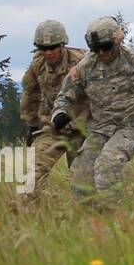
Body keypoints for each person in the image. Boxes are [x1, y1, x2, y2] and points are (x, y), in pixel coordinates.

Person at [51, 16, 134, 206]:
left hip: (132, 127)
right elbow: (64, 95)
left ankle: (112, 218)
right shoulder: (85, 67)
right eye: (96, 49)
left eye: (106, 46)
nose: (101, 53)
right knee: (81, 174)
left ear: (117, 41)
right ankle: (94, 221)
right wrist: (60, 113)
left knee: (107, 165)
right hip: (100, 128)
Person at [19, 19, 88, 204]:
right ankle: (27, 216)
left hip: (84, 130)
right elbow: (30, 94)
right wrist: (31, 125)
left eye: (53, 47)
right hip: (54, 128)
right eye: (43, 47)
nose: (48, 52)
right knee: (34, 173)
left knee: (83, 181)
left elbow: (102, 94)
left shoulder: (82, 64)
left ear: (62, 44)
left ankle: (89, 220)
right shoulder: (38, 65)